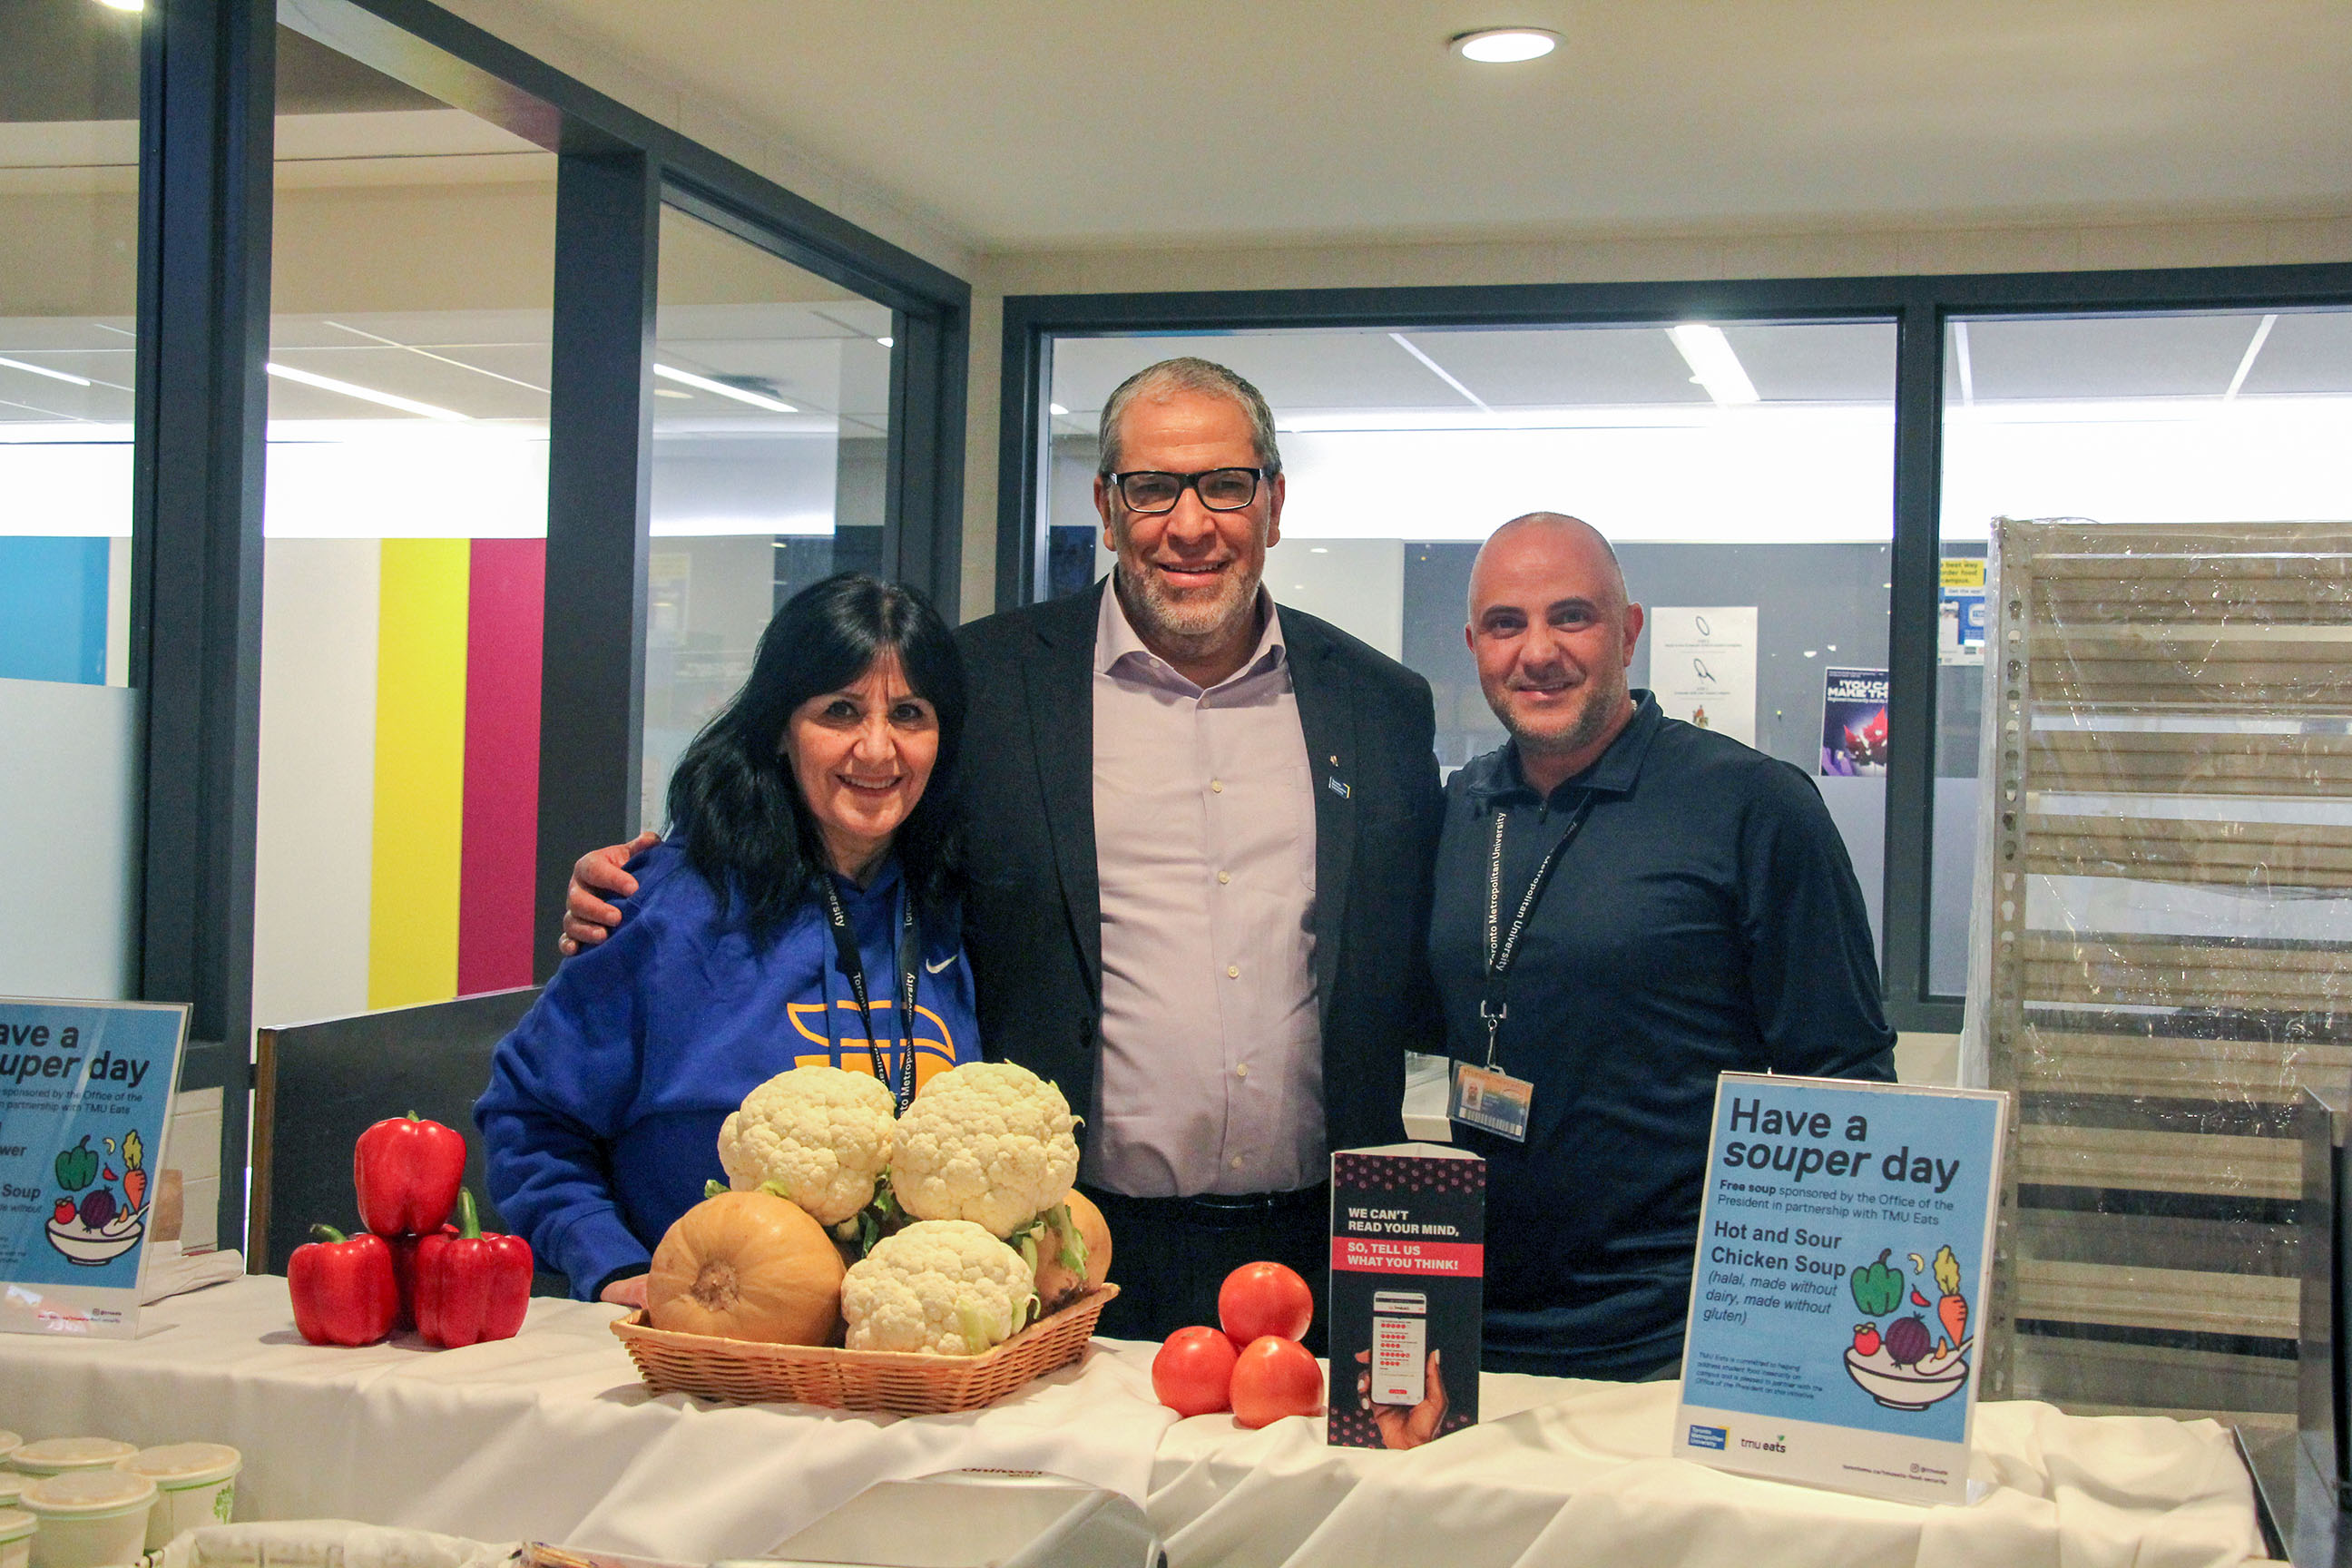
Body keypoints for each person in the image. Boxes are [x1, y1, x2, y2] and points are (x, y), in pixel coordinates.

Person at [565, 358, 1446, 1342]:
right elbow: (849, 814)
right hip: (1067, 1249)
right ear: (1107, 507)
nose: (1188, 524)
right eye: (1152, 488)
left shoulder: (1381, 706)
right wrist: (659, 883)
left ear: (1273, 504)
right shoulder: (986, 685)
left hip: (1334, 1244)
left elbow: (1430, 939)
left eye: (1225, 486)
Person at [1432, 512, 1896, 1379]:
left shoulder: (1752, 805)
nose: (1538, 651)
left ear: (1629, 632)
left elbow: (1847, 1082)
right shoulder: (1459, 809)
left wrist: (1810, 1351)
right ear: (1473, 644)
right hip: (1470, 1323)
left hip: (1674, 1339)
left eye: (1572, 616)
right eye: (1506, 624)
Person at [478, 573, 983, 1306]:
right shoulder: (668, 908)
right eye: (840, 711)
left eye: (909, 714)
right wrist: (612, 1267)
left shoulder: (950, 908)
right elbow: (530, 1119)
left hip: (896, 1359)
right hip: (699, 1356)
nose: (878, 750)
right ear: (780, 727)